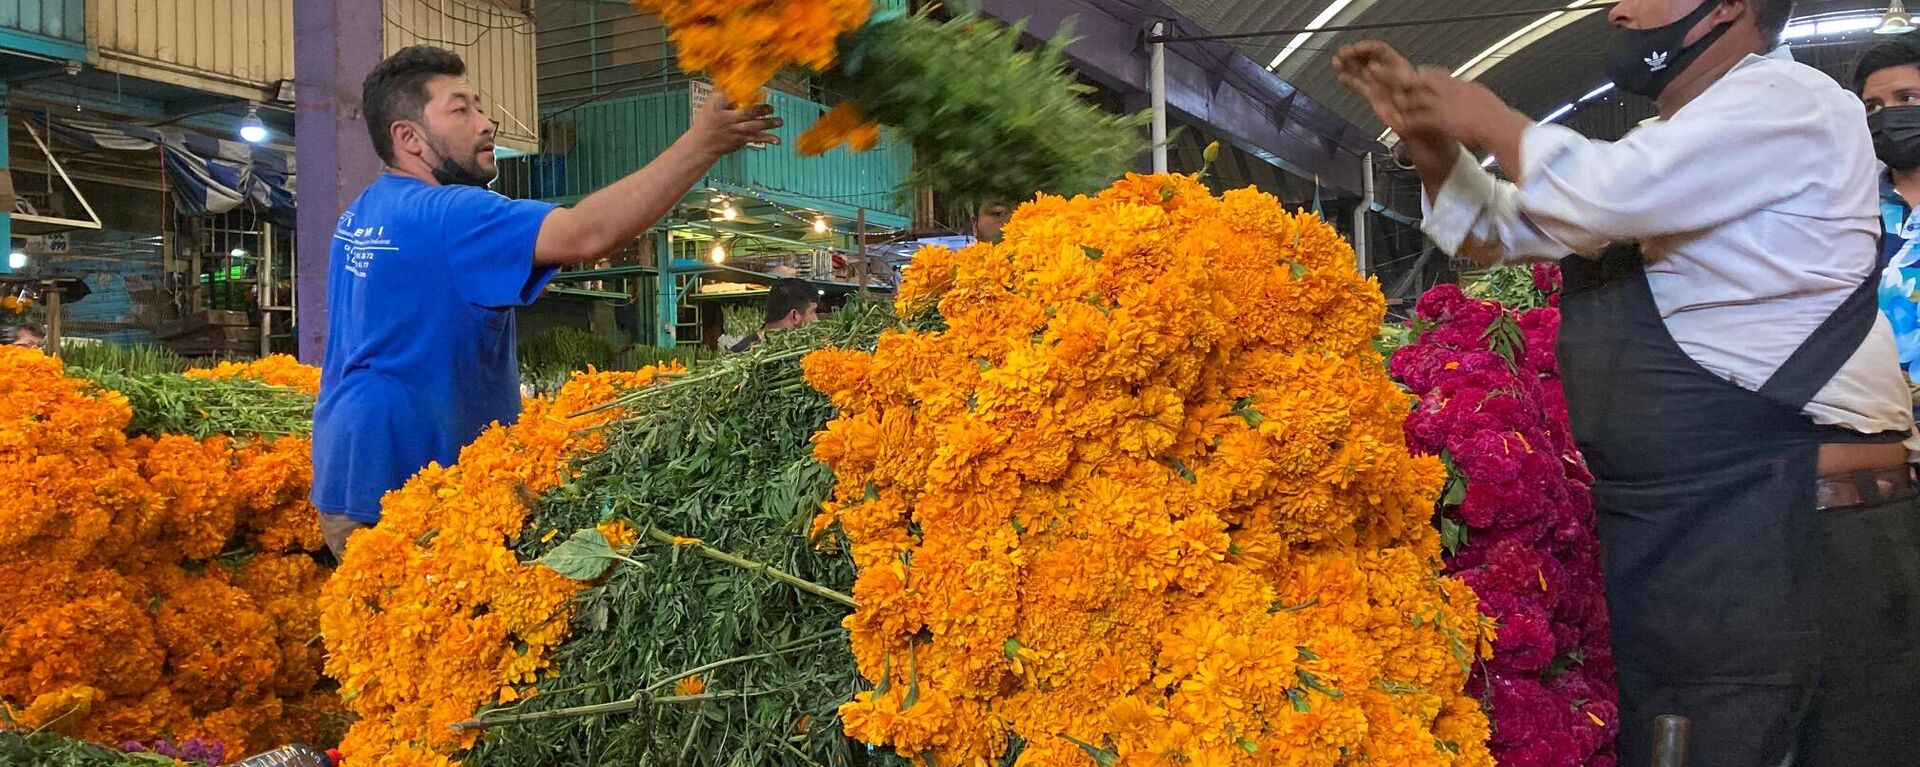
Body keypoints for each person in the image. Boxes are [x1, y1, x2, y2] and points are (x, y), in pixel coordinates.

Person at [1336, 1, 1920, 765]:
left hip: (1796, 543)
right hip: (1699, 541)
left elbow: (1604, 190)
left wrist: (1490, 118)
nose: (1620, 10)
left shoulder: (1790, 102)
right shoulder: (1664, 147)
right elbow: (1498, 231)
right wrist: (1429, 140)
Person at [312, 45, 780, 559]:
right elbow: (587, 233)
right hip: (406, 482)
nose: (486, 123)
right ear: (409, 138)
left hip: (351, 467)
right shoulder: (450, 213)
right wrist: (701, 144)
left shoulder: (367, 209)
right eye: (460, 109)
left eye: (479, 105)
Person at [1854, 34, 1920, 406]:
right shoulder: (1846, 210)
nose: (1888, 116)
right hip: (1872, 422)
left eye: (1906, 99)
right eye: (1873, 107)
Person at [727, 278, 819, 353]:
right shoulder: (741, 355)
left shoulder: (791, 349)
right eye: (813, 311)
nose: (816, 320)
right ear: (794, 316)